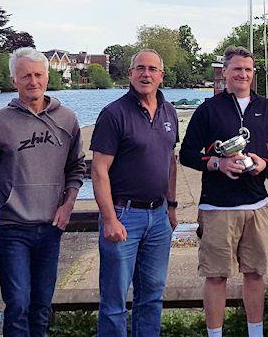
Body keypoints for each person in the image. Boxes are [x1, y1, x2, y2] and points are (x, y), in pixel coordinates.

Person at [180, 46, 268, 337]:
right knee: (216, 276)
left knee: (255, 274)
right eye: (237, 69)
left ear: (253, 74)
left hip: (256, 206)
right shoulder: (208, 109)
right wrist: (218, 163)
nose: (243, 74)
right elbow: (188, 154)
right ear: (225, 73)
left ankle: (256, 334)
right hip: (218, 207)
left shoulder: (267, 108)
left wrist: (263, 164)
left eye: (248, 69)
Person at [0, 47, 85, 336]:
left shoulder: (67, 119)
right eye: (25, 75)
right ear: (13, 79)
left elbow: (76, 168)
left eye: (38, 74)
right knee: (17, 305)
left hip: (51, 226)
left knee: (42, 306)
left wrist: (67, 206)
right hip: (13, 226)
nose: (33, 81)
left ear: (47, 75)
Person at [90, 49, 179, 337]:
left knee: (152, 296)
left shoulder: (169, 111)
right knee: (115, 301)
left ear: (161, 76)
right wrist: (110, 218)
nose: (146, 74)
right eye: (140, 68)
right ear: (130, 74)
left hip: (158, 216)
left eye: (153, 69)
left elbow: (170, 161)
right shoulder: (113, 114)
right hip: (123, 215)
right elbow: (99, 170)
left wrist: (172, 206)